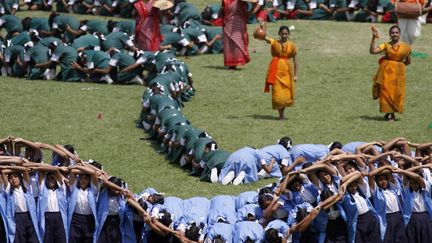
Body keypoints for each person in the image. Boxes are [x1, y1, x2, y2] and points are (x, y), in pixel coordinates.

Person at [370, 25, 411, 121]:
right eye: (392, 33)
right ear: (390, 34)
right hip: (386, 73)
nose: (394, 34)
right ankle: (389, 113)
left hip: (398, 74)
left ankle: (391, 114)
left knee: (395, 93)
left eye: (396, 32)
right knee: (386, 92)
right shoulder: (386, 45)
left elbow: (408, 61)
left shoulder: (406, 47)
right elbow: (372, 51)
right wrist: (373, 37)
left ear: (399, 34)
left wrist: (399, 67)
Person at [258, 25, 298, 120]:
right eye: (282, 33)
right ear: (279, 34)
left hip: (287, 71)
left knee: (286, 94)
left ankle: (282, 112)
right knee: (277, 94)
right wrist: (263, 27)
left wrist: (296, 75)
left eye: (286, 34)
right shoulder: (275, 42)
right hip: (275, 70)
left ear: (289, 34)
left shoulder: (292, 45)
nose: (284, 35)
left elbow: (295, 60)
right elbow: (264, 37)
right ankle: (281, 115)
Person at [221, 0, 252, 70]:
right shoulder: (226, 1)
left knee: (238, 43)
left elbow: (221, 11)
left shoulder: (240, 2)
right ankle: (232, 64)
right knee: (229, 44)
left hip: (237, 24)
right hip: (229, 23)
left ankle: (236, 62)